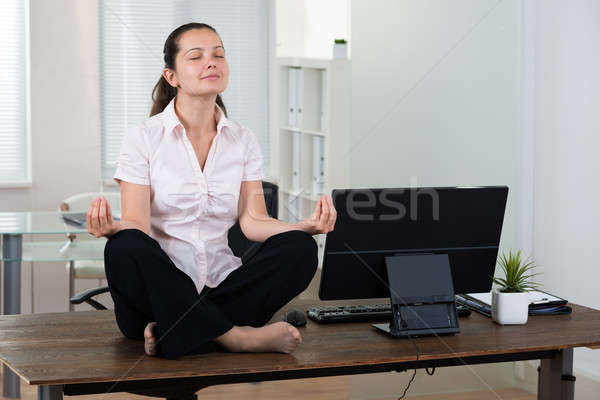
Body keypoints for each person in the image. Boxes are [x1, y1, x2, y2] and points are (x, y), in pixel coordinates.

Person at [86, 22, 337, 360]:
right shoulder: (143, 137)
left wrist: (303, 227)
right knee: (125, 245)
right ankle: (236, 337)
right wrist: (112, 228)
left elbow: (254, 221)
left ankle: (182, 332)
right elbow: (137, 224)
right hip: (154, 299)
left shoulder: (242, 139)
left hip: (222, 288)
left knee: (301, 248)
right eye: (196, 56)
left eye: (219, 54)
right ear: (171, 76)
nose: (211, 62)